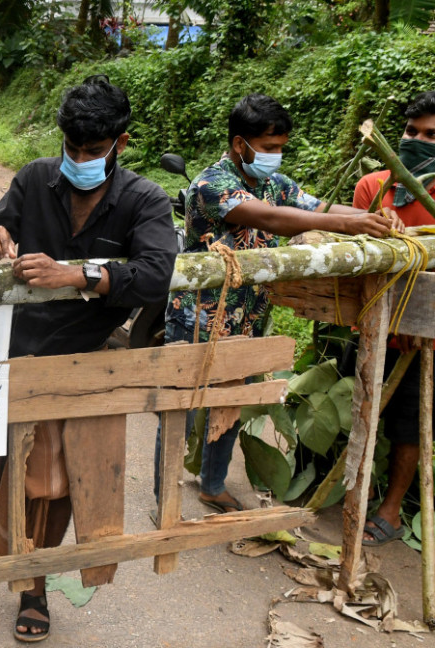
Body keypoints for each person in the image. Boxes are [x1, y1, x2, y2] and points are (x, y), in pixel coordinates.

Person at [0, 74, 177, 642]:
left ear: (120, 144)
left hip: (80, 361)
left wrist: (77, 273)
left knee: (51, 483)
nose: (80, 159)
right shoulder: (35, 178)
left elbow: (156, 275)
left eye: (93, 151)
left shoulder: (143, 199)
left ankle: (33, 588)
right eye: (73, 148)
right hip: (8, 349)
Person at [160, 93, 398, 513]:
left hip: (249, 317)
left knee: (231, 404)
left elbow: (318, 207)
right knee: (181, 408)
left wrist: (376, 217)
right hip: (198, 318)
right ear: (240, 144)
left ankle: (212, 485)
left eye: (281, 148)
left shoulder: (277, 184)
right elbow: (269, 218)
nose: (276, 156)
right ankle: (164, 489)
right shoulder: (210, 185)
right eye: (269, 148)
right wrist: (347, 222)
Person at [352, 91, 435, 546]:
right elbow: (358, 248)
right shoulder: (375, 186)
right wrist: (377, 226)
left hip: (427, 334)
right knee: (360, 403)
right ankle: (351, 487)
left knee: (410, 423)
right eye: (411, 132)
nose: (417, 141)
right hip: (376, 321)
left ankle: (392, 508)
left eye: (431, 135)